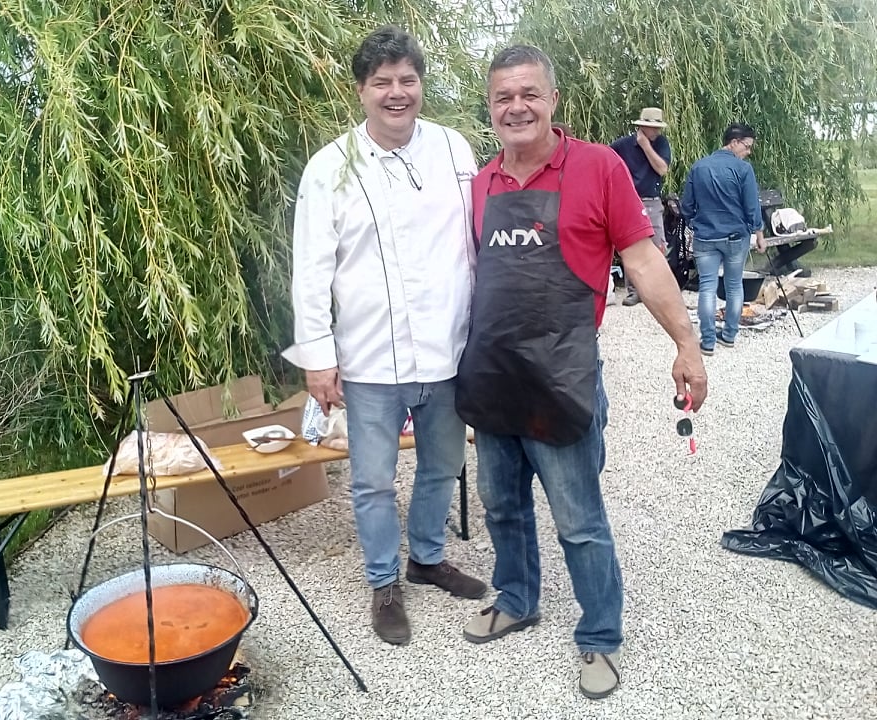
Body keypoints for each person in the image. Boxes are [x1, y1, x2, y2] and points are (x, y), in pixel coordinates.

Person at [454, 45, 708, 699]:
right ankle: (517, 599)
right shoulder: (481, 184)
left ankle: (600, 634)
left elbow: (644, 261)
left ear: (553, 100)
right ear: (491, 107)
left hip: (563, 378)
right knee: (501, 506)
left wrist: (686, 343)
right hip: (495, 376)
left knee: (579, 520)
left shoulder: (598, 167)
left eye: (529, 94)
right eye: (503, 97)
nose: (517, 107)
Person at [281, 25, 486, 646]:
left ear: (421, 84)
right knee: (372, 480)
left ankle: (426, 558)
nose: (397, 93)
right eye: (382, 83)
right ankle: (383, 581)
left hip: (449, 351)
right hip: (369, 358)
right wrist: (318, 358)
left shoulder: (453, 149)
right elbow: (310, 269)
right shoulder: (330, 167)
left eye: (407, 80)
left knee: (443, 465)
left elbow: (475, 244)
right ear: (361, 90)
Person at [680, 123, 767, 356]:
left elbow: (686, 205)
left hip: (706, 237)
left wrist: (695, 222)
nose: (748, 152)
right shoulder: (743, 169)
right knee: (734, 285)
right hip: (736, 237)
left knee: (707, 287)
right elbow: (752, 206)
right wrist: (759, 234)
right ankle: (729, 335)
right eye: (747, 146)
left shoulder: (699, 167)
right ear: (734, 142)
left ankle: (708, 341)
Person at [610, 107, 672, 306]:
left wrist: (646, 146)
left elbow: (662, 169)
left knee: (658, 244)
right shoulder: (623, 145)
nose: (657, 131)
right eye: (653, 127)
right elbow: (606, 161)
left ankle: (658, 289)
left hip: (651, 200)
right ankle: (634, 291)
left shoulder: (661, 143)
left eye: (658, 127)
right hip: (629, 201)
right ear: (642, 126)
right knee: (631, 246)